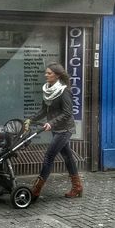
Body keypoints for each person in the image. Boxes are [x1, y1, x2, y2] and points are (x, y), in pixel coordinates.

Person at [24, 62, 83, 198]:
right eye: (46, 73)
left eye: (49, 73)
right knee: (67, 157)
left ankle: (36, 189)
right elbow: (44, 110)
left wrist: (51, 123)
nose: (46, 75)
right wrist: (30, 119)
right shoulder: (47, 90)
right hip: (56, 128)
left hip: (64, 129)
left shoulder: (64, 91)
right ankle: (77, 187)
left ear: (56, 75)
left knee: (49, 156)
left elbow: (67, 113)